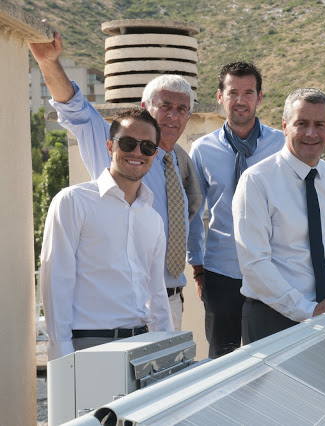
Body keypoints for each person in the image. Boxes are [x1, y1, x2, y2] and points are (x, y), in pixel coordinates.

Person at [28, 33, 201, 330]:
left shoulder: (180, 162)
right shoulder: (123, 147)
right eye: (165, 106)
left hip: (169, 302)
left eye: (181, 109)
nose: (173, 115)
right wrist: (48, 63)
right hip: (124, 308)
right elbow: (74, 108)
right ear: (146, 107)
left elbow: (190, 220)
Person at [232, 88, 325, 343]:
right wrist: (308, 310)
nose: (311, 133)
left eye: (320, 125)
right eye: (301, 124)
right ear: (285, 126)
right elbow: (254, 265)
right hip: (271, 320)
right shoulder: (257, 181)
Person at [40, 108, 174, 361]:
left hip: (142, 345)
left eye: (146, 147)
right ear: (110, 146)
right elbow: (56, 281)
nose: (137, 152)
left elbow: (156, 293)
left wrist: (166, 349)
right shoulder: (73, 201)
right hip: (88, 345)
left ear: (154, 154)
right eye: (128, 143)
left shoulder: (153, 219)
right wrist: (61, 353)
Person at [188, 62, 284, 358]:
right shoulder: (203, 149)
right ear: (220, 96)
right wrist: (197, 266)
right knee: (221, 358)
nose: (240, 100)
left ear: (260, 97)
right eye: (233, 92)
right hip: (222, 271)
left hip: (272, 267)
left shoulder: (281, 145)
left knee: (271, 357)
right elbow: (194, 212)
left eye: (248, 93)